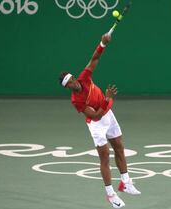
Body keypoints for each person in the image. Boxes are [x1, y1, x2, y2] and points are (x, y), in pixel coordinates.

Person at [58, 33, 140, 208]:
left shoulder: (84, 77)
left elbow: (94, 58)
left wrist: (102, 43)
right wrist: (108, 100)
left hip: (107, 115)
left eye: (72, 79)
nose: (73, 83)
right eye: (69, 84)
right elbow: (95, 116)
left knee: (119, 147)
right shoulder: (76, 101)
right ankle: (110, 195)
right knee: (105, 158)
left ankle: (125, 182)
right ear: (67, 88)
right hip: (96, 125)